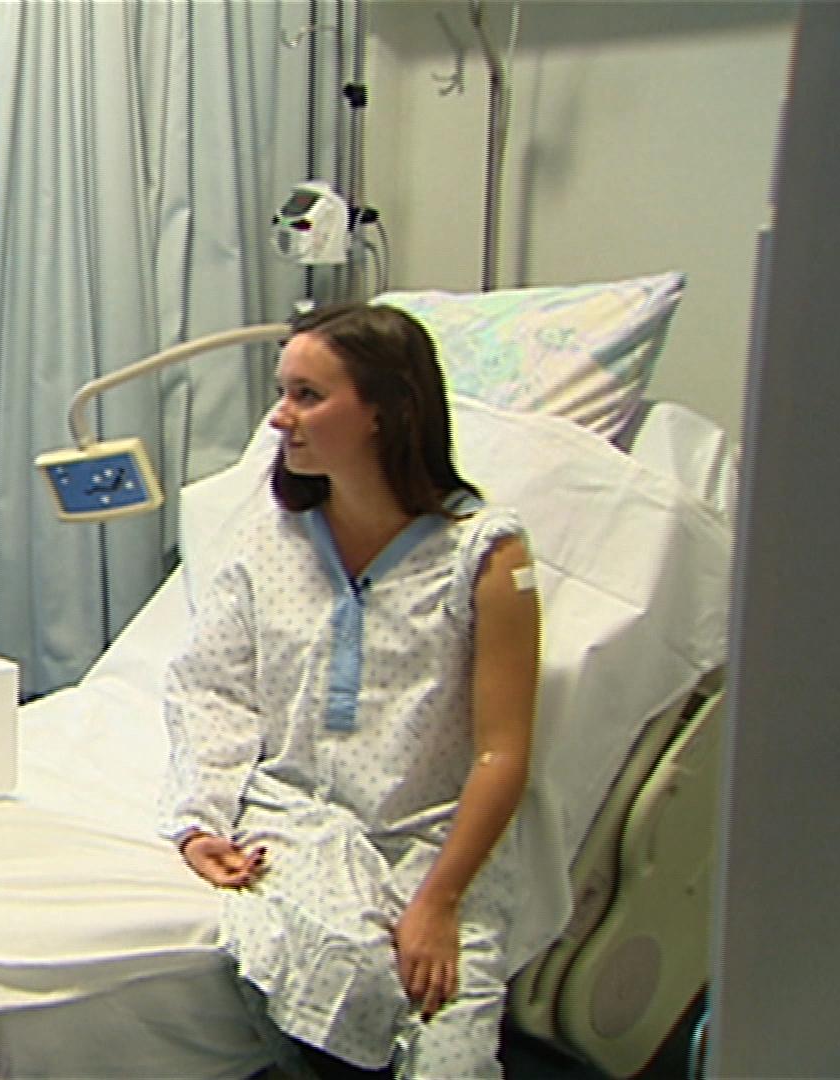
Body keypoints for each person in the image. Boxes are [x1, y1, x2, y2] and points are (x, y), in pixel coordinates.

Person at [160, 302, 540, 1079]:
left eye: (307, 395)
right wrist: (199, 823)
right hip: (294, 825)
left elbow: (502, 752)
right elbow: (211, 690)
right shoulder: (270, 540)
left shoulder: (486, 556)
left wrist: (438, 902)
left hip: (434, 843)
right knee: (330, 972)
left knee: (451, 1053)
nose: (279, 417)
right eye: (283, 392)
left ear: (384, 412)